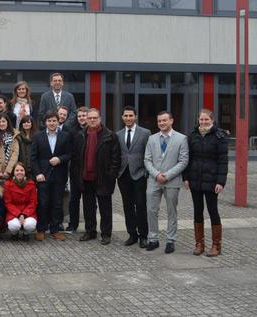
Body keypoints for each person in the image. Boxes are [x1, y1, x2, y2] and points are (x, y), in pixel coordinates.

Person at [72, 108, 120, 245]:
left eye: (95, 118)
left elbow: (115, 158)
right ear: (86, 119)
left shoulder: (110, 136)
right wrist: (77, 175)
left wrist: (111, 176)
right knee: (88, 207)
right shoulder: (81, 135)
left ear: (100, 118)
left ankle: (106, 234)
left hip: (103, 178)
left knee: (105, 208)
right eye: (90, 118)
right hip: (85, 177)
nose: (92, 120)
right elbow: (76, 158)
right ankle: (90, 231)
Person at [184, 109, 228, 257]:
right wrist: (186, 178)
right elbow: (187, 159)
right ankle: (199, 243)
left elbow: (223, 161)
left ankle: (216, 245)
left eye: (206, 120)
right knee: (197, 211)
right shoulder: (192, 136)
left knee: (213, 211)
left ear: (212, 120)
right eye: (201, 120)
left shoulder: (219, 136)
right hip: (195, 179)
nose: (203, 122)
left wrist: (221, 182)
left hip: (212, 180)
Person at [144, 111, 189, 254]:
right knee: (151, 210)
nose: (162, 123)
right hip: (154, 180)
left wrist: (167, 175)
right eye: (159, 121)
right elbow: (147, 160)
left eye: (164, 120)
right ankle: (153, 239)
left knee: (171, 211)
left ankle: (170, 240)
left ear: (171, 121)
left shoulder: (181, 139)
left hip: (172, 181)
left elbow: (183, 161)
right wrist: (157, 174)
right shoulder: (151, 139)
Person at [30, 111, 72, 241]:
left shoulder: (65, 136)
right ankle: (41, 229)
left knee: (57, 203)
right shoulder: (38, 136)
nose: (52, 123)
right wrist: (38, 173)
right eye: (49, 121)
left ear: (58, 121)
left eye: (54, 120)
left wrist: (59, 159)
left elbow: (70, 154)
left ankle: (55, 229)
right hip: (43, 175)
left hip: (59, 175)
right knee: (43, 203)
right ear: (45, 122)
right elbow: (33, 158)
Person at [116, 106, 151, 248]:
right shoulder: (118, 134)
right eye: (126, 116)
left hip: (139, 175)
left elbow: (149, 154)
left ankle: (143, 235)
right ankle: (132, 234)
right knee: (127, 206)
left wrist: (146, 172)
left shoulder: (145, 133)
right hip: (123, 175)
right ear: (122, 117)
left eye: (131, 116)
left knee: (141, 205)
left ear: (135, 117)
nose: (128, 118)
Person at [65, 106, 88, 233]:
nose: (81, 118)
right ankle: (72, 224)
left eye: (84, 115)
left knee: (89, 200)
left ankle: (90, 225)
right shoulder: (72, 131)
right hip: (75, 170)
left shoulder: (93, 130)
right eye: (79, 116)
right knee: (74, 199)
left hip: (89, 171)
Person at [4, 162, 38, 241]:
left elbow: (33, 202)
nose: (19, 172)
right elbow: (8, 203)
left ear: (25, 172)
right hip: (13, 212)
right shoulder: (8, 184)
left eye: (22, 170)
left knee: (30, 225)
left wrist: (24, 214)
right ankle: (14, 234)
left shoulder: (31, 184)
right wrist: (19, 214)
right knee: (14, 226)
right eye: (17, 170)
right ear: (13, 172)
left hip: (29, 212)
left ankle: (26, 233)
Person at [0, 113, 20, 181]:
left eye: (3, 121)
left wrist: (8, 171)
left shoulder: (14, 135)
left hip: (10, 171)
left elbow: (15, 154)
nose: (1, 124)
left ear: (7, 122)